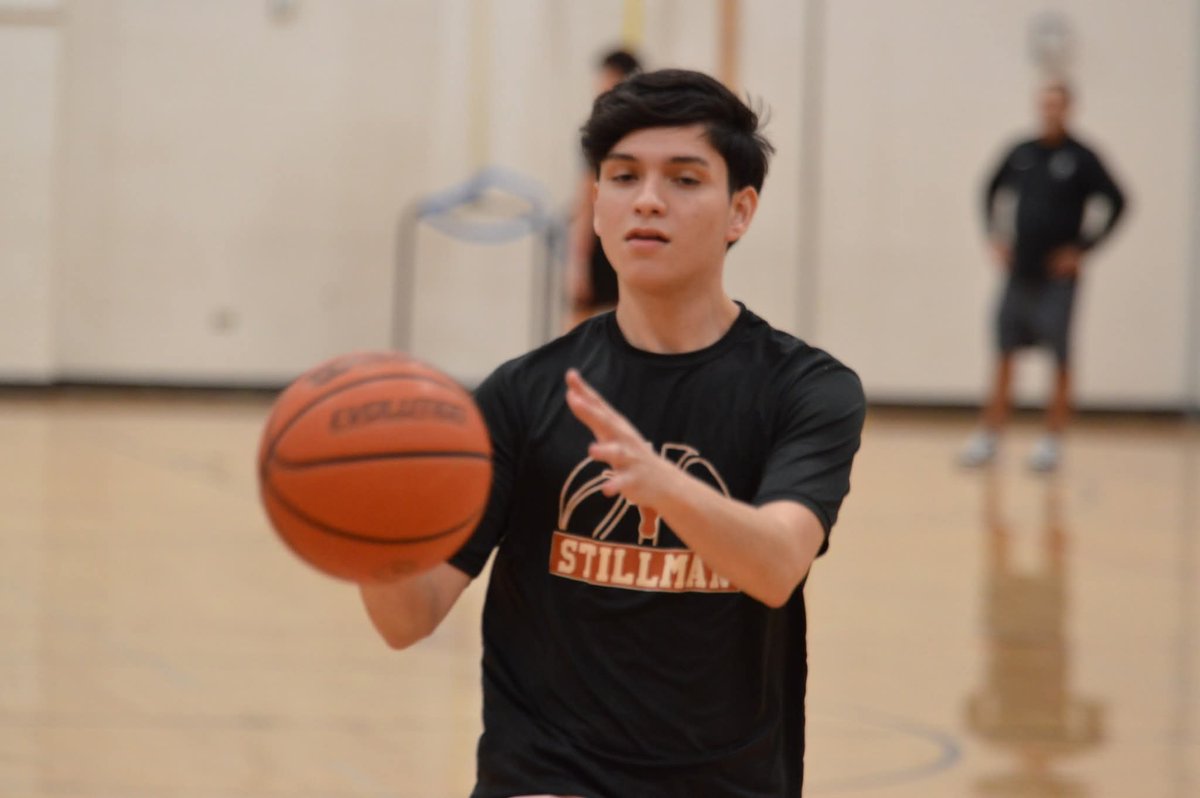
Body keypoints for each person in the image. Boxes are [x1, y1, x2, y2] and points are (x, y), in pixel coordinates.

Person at [360, 69, 866, 797]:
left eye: (685, 179)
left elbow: (777, 564)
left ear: (740, 212)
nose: (649, 199)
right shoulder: (523, 393)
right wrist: (369, 537)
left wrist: (661, 484)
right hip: (546, 776)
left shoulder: (805, 388)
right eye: (623, 177)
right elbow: (410, 618)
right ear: (597, 208)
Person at [960, 80, 1126, 472]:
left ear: (1069, 108)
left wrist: (1082, 249)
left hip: (1058, 277)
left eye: (1058, 105)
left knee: (1060, 355)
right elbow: (989, 187)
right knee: (1004, 350)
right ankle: (990, 435)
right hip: (1020, 271)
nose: (1050, 111)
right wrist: (995, 236)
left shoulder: (1082, 158)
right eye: (1045, 104)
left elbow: (1118, 201)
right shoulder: (1022, 153)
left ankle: (1052, 440)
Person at [564, 48, 642, 330]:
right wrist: (578, 262)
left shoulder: (613, 135)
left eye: (608, 80)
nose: (601, 86)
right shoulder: (597, 134)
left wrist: (578, 263)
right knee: (583, 321)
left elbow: (588, 198)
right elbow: (586, 199)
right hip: (607, 233)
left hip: (619, 233)